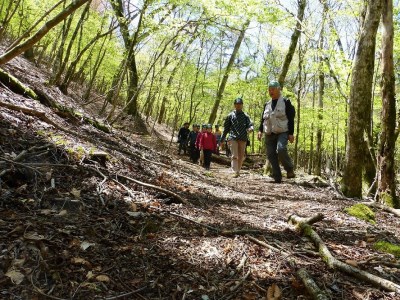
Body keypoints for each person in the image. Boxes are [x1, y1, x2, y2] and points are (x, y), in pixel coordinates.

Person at [257, 80, 296, 183]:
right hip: (269, 132)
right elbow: (263, 119)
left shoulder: (286, 102)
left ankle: (289, 169)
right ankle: (277, 177)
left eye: (273, 89)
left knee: (281, 149)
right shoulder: (267, 104)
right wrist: (260, 130)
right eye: (269, 90)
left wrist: (291, 133)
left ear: (279, 89)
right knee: (270, 154)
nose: (271, 91)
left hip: (282, 131)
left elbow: (291, 118)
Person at [221, 97, 254, 178]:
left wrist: (251, 128)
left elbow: (251, 125)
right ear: (234, 105)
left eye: (240, 104)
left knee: (241, 156)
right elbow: (226, 128)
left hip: (243, 138)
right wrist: (222, 139)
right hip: (232, 138)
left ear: (242, 105)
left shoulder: (246, 116)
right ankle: (234, 171)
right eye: (237, 104)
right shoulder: (230, 116)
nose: (238, 106)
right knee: (234, 155)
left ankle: (238, 171)